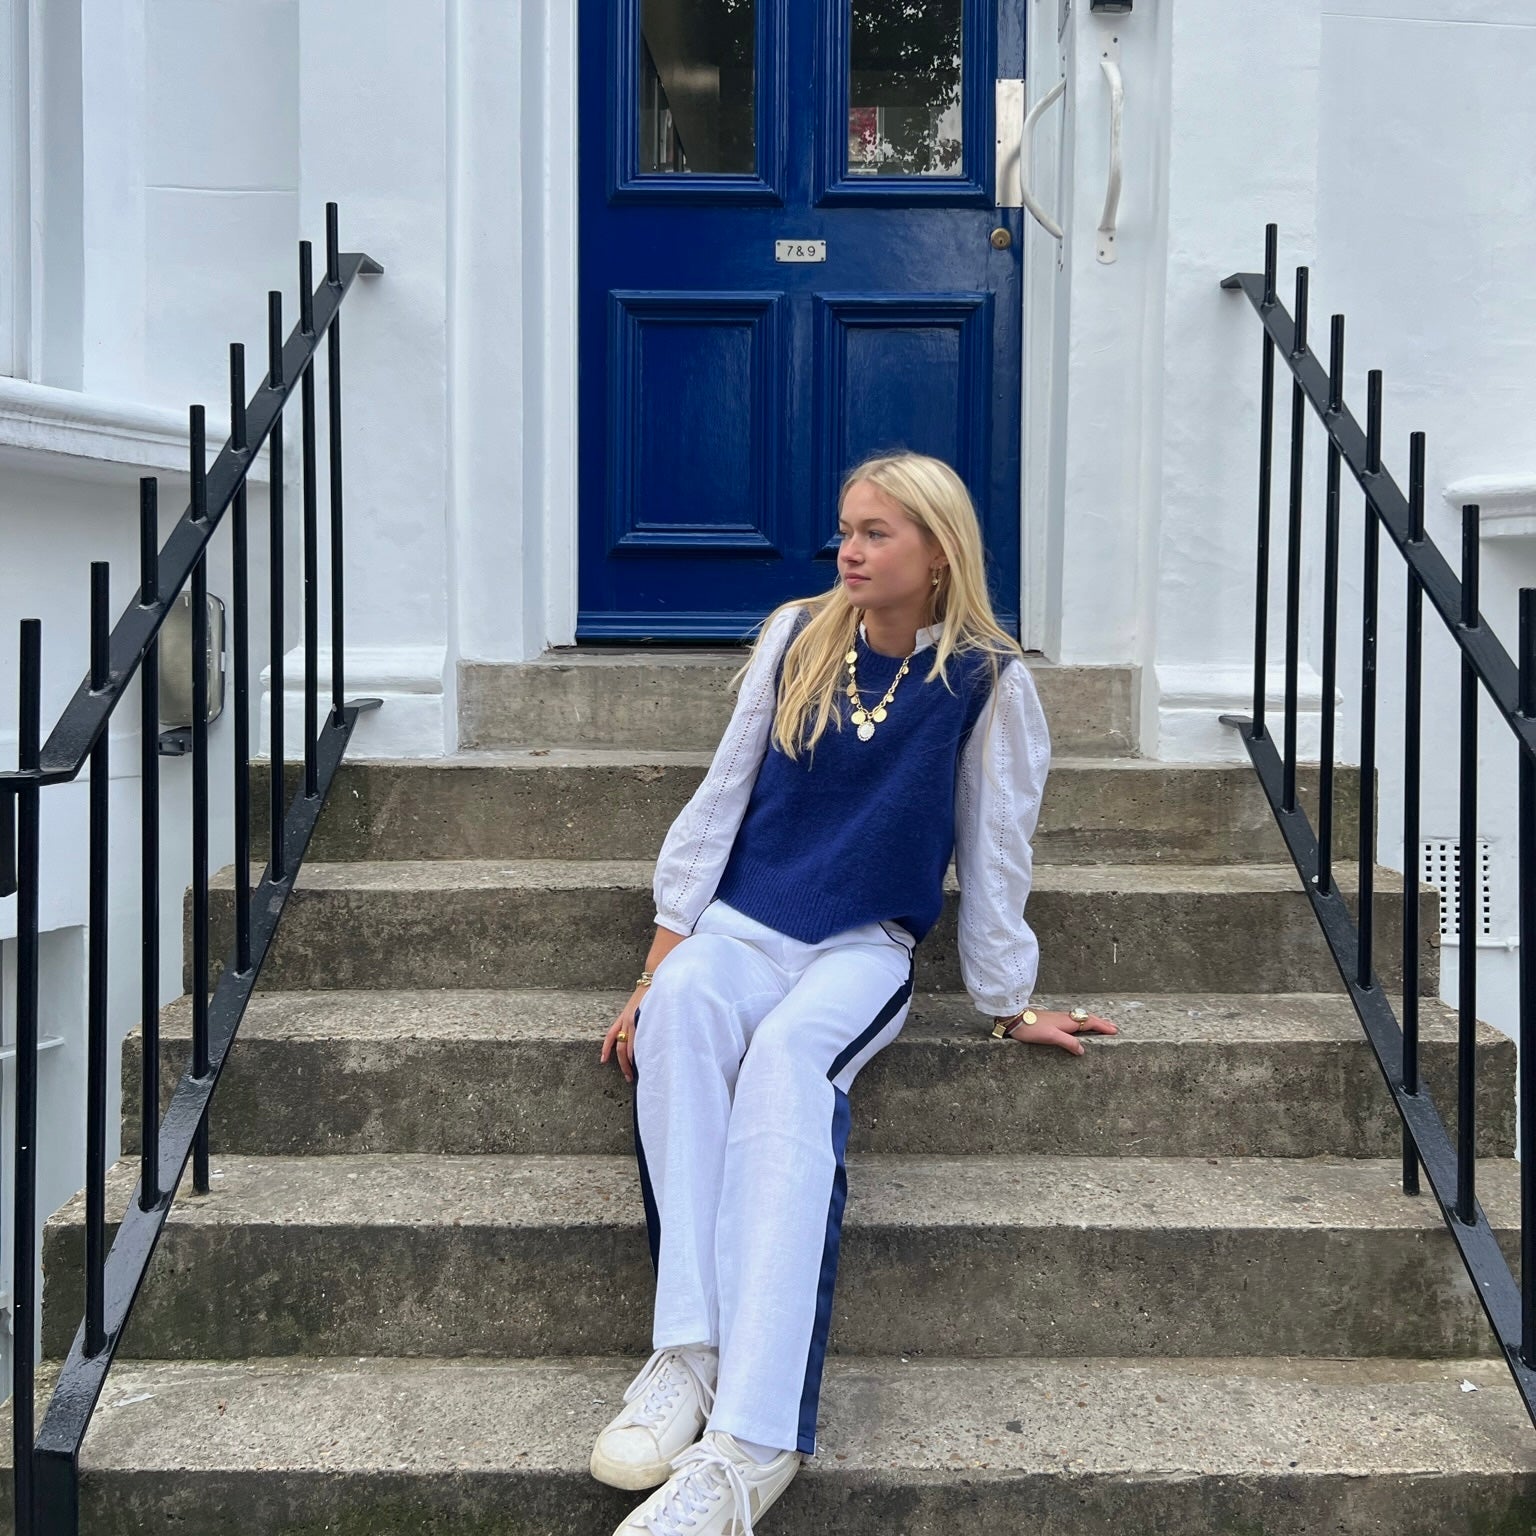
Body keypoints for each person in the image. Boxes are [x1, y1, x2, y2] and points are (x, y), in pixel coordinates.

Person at [592, 451, 1117, 1535]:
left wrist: (1008, 1000)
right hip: (744, 924)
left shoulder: (986, 682)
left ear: (937, 551)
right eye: (846, 528)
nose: (850, 549)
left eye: (877, 533)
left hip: (861, 947)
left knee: (789, 1065)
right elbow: (717, 802)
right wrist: (656, 970)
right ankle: (686, 1357)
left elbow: (996, 849)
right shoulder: (797, 635)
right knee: (688, 1011)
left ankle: (752, 1443)